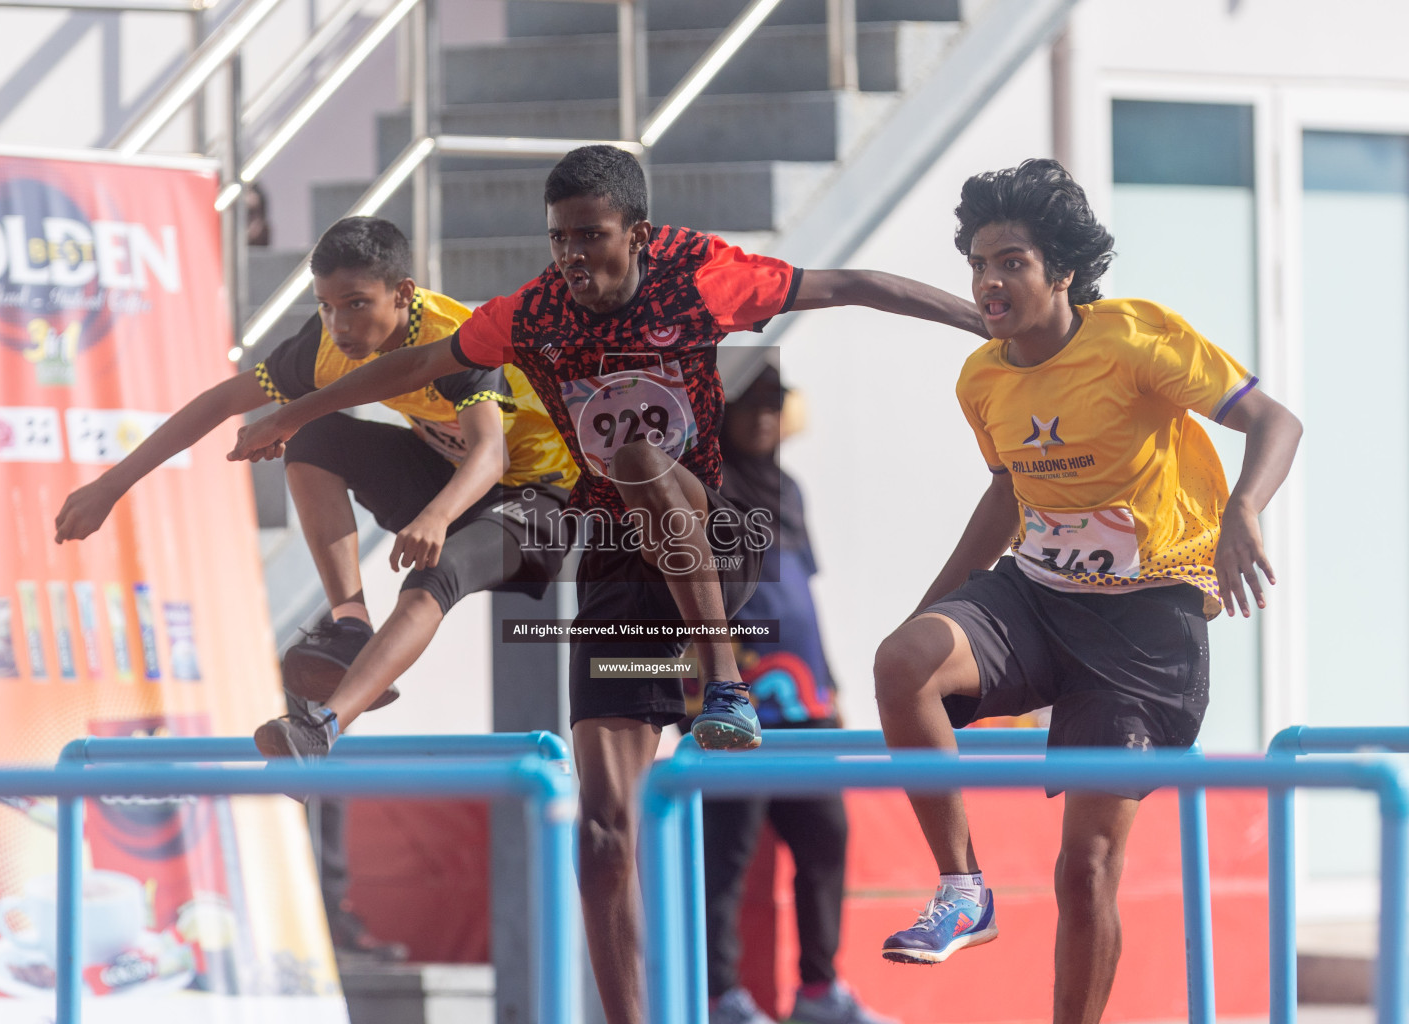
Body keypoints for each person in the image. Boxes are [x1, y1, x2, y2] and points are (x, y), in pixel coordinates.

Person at [226, 144, 985, 1024]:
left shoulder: (702, 276)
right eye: (558, 240)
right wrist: (298, 411)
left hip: (713, 536)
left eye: (591, 237)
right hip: (620, 580)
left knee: (636, 458)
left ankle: (724, 684)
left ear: (638, 232)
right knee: (602, 830)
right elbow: (414, 366)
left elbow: (858, 285)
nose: (573, 258)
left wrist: (982, 320)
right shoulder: (536, 311)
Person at [871, 159, 1302, 1023]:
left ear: (1061, 270)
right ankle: (963, 888)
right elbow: (1006, 496)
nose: (990, 282)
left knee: (1085, 867)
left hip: (1148, 623)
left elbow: (1274, 420)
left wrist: (1242, 510)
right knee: (903, 660)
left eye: (1013, 263)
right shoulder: (982, 378)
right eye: (979, 263)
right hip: (1037, 598)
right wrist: (936, 602)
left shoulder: (1136, 340)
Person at [53, 216, 579, 760]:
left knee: (436, 571)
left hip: (537, 495)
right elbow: (218, 402)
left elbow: (490, 455)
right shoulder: (325, 348)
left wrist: (438, 516)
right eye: (325, 306)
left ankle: (321, 729)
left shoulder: (456, 338)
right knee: (315, 439)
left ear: (402, 294)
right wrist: (111, 485)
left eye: (355, 304)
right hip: (445, 470)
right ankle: (351, 625)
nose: (338, 326)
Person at [693, 365, 895, 1024]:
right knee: (726, 854)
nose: (762, 418)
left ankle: (818, 991)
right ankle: (719, 995)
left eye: (773, 406)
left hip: (806, 707)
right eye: (749, 405)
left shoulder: (790, 491)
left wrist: (832, 685)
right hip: (736, 706)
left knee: (825, 839)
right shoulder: (702, 490)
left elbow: (804, 602)